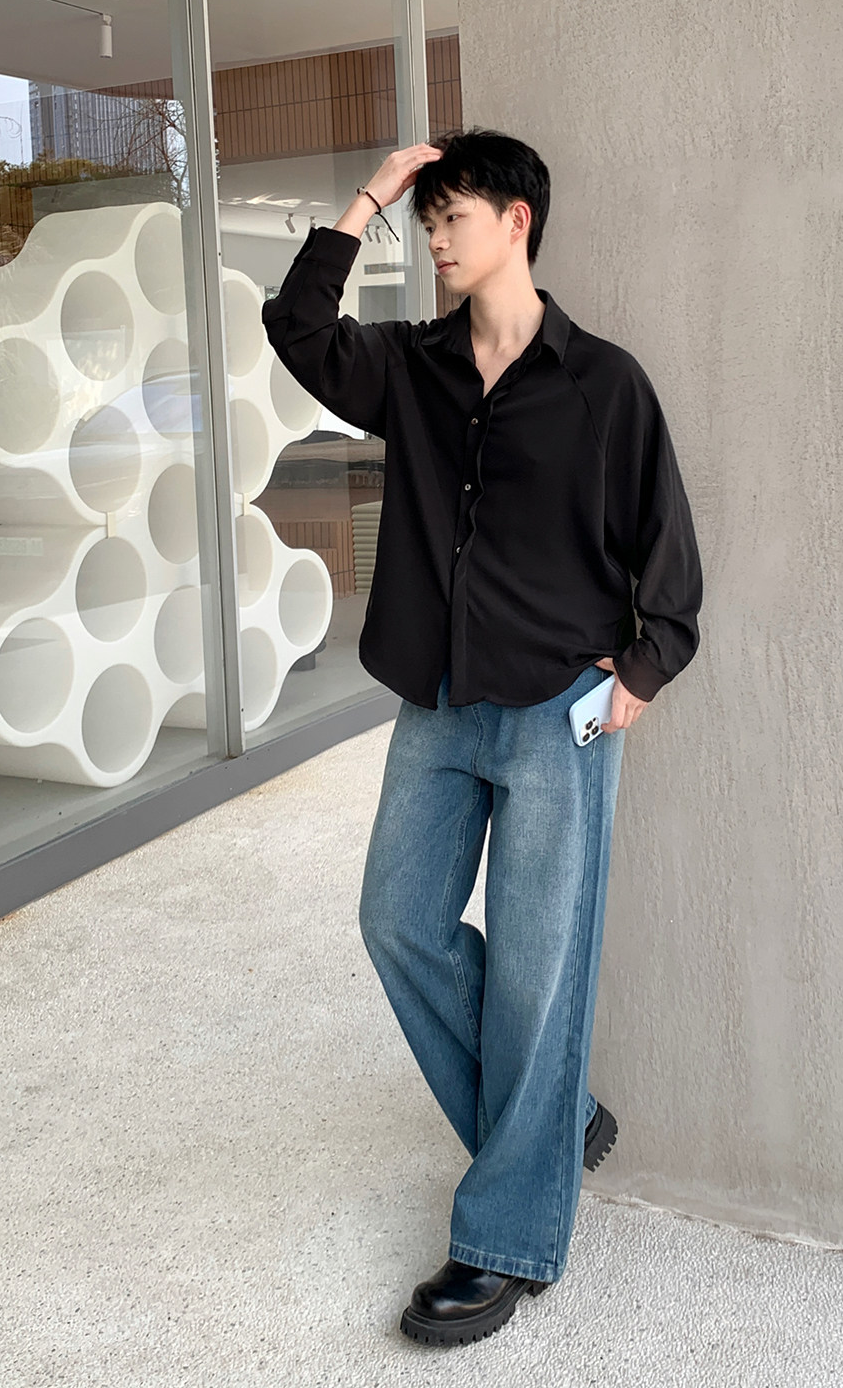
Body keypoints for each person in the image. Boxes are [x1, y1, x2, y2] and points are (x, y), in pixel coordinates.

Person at [260, 127, 702, 1348]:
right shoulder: (412, 368)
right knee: (397, 920)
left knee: (537, 971)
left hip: (561, 713)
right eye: (428, 219)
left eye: (452, 216)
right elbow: (296, 329)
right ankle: (552, 1130)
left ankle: (505, 1236)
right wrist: (367, 198)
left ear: (517, 222)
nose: (436, 238)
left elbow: (667, 546)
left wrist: (646, 669)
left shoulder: (605, 384)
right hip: (439, 701)